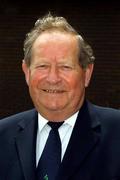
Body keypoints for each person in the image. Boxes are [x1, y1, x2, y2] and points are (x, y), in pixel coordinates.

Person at [0, 12, 120, 180]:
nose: (53, 78)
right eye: (43, 66)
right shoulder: (2, 136)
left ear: (87, 74)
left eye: (65, 67)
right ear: (27, 72)